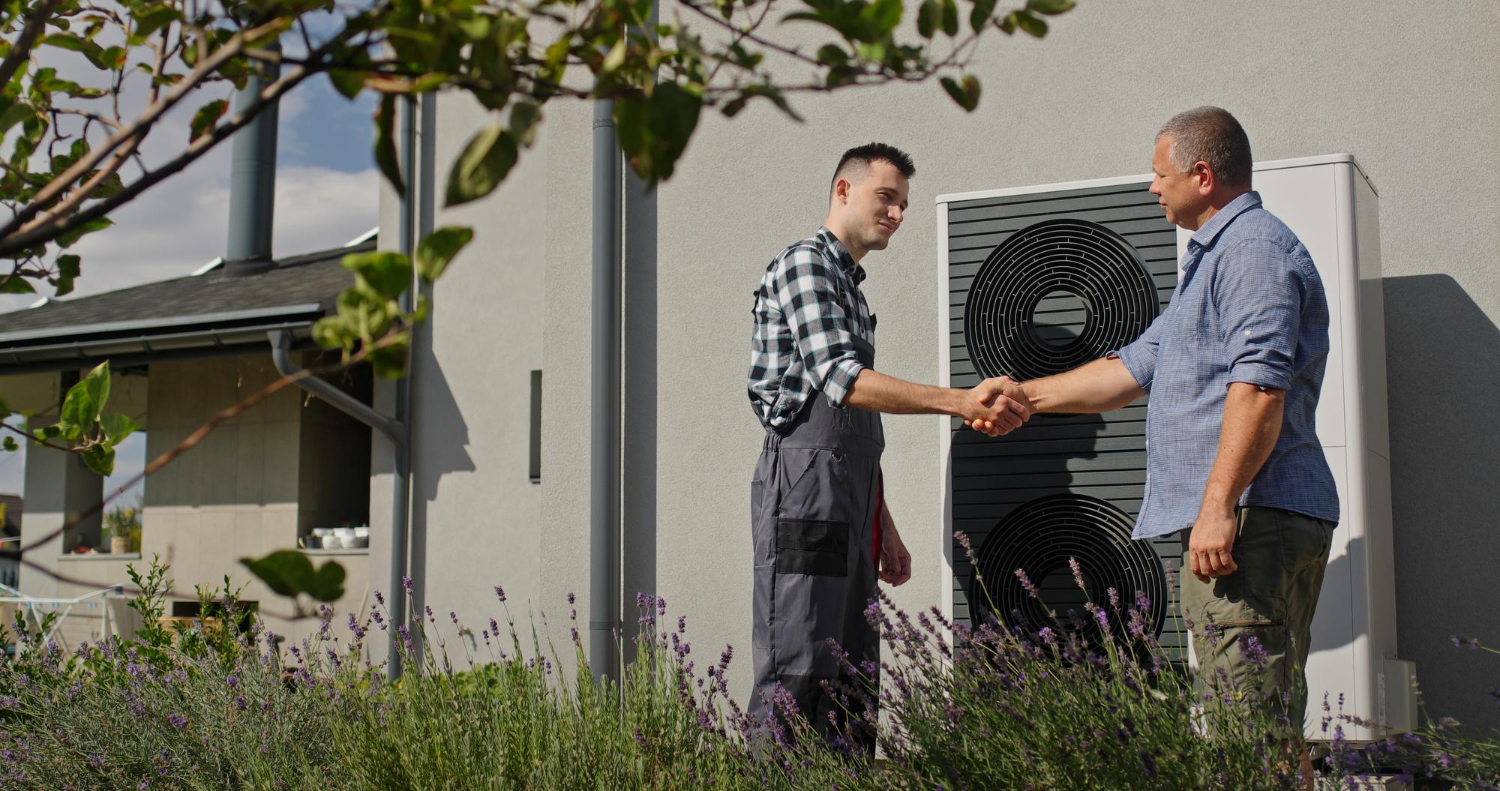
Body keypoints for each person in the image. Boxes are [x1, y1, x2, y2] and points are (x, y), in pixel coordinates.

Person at [973, 107, 1338, 780]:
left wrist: (1218, 505)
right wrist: (1020, 397)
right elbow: (1129, 370)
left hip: (1249, 519)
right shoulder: (1217, 260)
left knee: (1249, 732)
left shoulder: (1251, 251)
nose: (1150, 188)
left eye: (1158, 174)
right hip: (1248, 519)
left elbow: (1260, 387)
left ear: (1202, 175)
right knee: (1260, 721)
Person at [747, 142, 1030, 746]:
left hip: (849, 499)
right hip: (804, 495)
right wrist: (960, 401)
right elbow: (842, 381)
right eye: (886, 197)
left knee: (853, 671)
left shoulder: (850, 288)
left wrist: (883, 523)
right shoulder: (805, 266)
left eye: (903, 204)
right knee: (799, 664)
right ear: (843, 190)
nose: (898, 213)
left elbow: (852, 433)